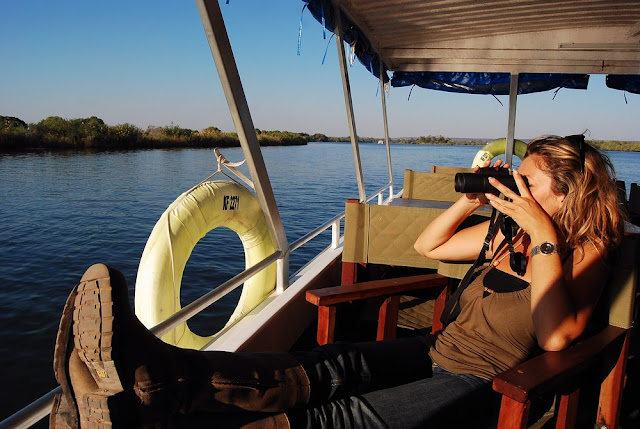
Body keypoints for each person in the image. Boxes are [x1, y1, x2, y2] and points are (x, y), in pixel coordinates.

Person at [51, 135, 624, 428]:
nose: (513, 189)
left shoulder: (584, 248)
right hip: (438, 350)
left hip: (489, 383)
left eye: (526, 182)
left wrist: (545, 236)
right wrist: (472, 202)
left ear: (567, 195)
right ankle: (152, 373)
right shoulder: (508, 234)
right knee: (329, 365)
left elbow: (554, 338)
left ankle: (138, 417)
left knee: (340, 418)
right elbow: (432, 247)